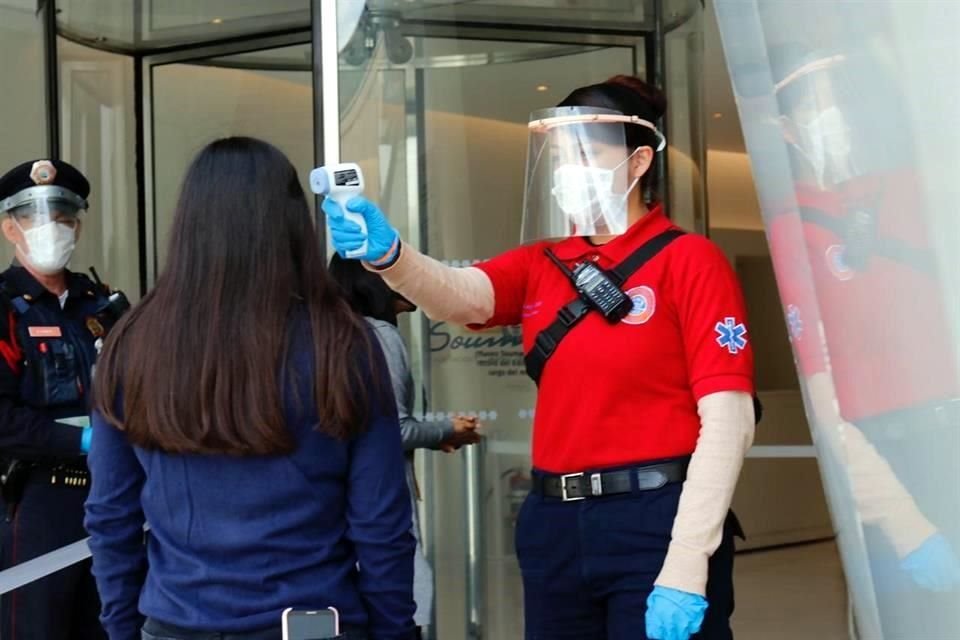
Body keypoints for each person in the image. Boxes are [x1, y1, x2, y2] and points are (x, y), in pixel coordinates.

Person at [324, 76, 756, 640]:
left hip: (653, 517)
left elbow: (729, 420)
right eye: (561, 154)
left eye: (588, 151)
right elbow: (461, 294)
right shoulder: (543, 261)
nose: (568, 168)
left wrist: (687, 560)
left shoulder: (689, 261)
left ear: (639, 160)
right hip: (554, 520)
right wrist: (391, 257)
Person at [83, 137, 416, 640]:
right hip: (312, 624)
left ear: (189, 223)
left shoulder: (133, 342)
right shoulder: (342, 342)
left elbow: (112, 516)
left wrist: (123, 628)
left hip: (175, 623)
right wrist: (396, 631)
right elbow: (382, 523)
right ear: (292, 224)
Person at [767, 45, 960, 637]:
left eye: (841, 105)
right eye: (814, 110)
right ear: (787, 129)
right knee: (904, 621)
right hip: (880, 448)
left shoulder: (928, 189)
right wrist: (906, 525)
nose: (832, 122)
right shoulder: (794, 224)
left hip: (951, 427)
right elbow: (821, 387)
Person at [0, 158, 128, 640]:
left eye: (64, 217)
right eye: (36, 217)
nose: (52, 228)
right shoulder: (5, 309)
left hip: (109, 495)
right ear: (10, 228)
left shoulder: (102, 304)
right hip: (35, 500)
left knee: (109, 622)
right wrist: (85, 441)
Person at [329, 255, 482, 637]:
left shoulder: (336, 336)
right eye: (393, 271)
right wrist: (445, 429)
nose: (409, 276)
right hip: (381, 517)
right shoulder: (380, 335)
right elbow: (389, 430)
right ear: (373, 282)